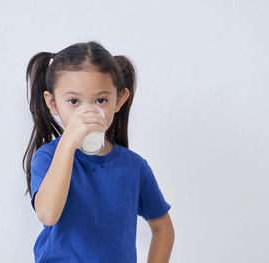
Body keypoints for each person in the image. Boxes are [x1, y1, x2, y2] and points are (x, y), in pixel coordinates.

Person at [23, 41, 175, 262]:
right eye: (73, 101)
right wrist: (67, 144)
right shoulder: (47, 158)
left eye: (101, 100)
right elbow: (47, 215)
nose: (88, 111)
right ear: (53, 103)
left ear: (119, 100)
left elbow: (163, 228)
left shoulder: (134, 167)